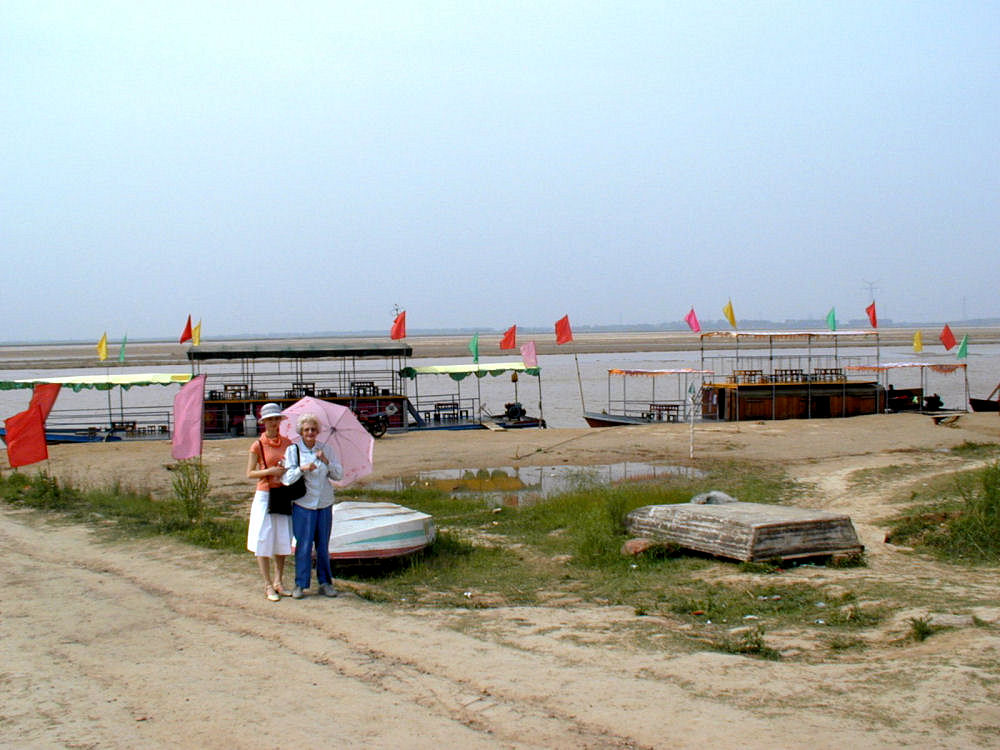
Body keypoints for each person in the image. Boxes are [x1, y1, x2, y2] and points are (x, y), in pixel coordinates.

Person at [282, 413, 343, 599]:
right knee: (304, 545)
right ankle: (300, 584)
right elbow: (287, 478)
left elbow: (338, 475)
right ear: (301, 431)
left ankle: (325, 583)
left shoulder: (327, 450)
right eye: (306, 429)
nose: (310, 432)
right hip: (304, 504)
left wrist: (326, 461)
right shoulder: (294, 450)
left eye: (313, 429)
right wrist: (302, 469)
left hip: (324, 503)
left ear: (318, 431)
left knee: (323, 546)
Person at [245, 403, 294, 601]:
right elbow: (249, 473)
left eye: (276, 419)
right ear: (264, 422)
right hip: (265, 494)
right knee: (263, 537)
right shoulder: (257, 445)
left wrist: (287, 471)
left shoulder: (288, 443)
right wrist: (269, 472)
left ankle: (279, 581)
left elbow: (293, 467)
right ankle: (267, 584)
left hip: (282, 493)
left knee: (281, 537)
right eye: (270, 420)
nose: (274, 423)